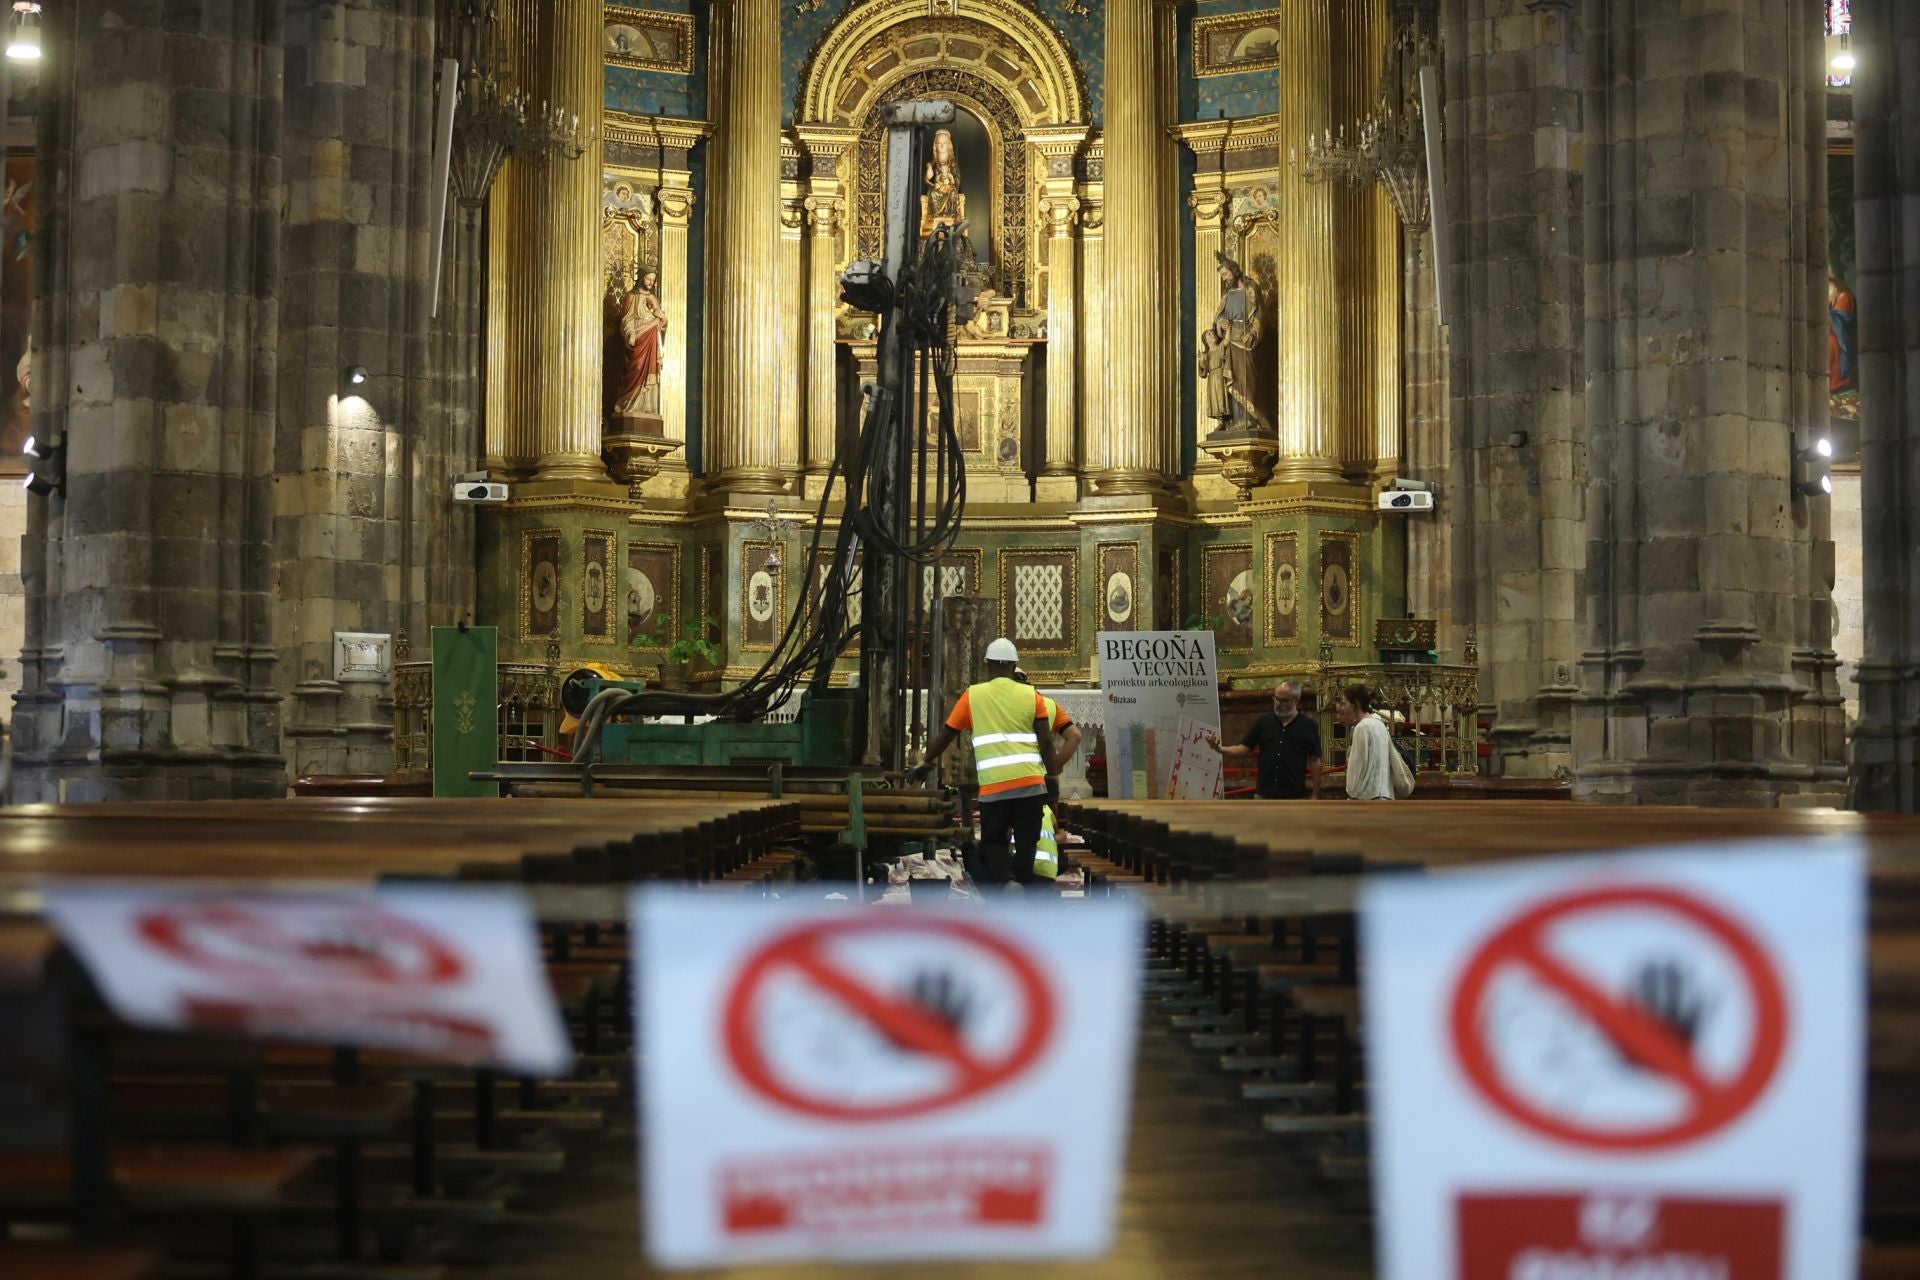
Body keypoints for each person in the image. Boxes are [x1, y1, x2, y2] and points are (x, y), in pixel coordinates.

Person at [907, 638, 1057, 890]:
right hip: (1030, 784)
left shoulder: (973, 696)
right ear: (1014, 665)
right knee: (1026, 841)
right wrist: (1051, 779)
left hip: (995, 788)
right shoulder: (1033, 696)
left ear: (988, 665)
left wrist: (925, 762)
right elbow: (1047, 742)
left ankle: (1007, 883)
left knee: (993, 841)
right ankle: (1020, 885)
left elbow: (946, 734)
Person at [1203, 680, 1321, 799]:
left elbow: (1315, 760)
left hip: (1294, 796)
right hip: (1264, 794)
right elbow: (1243, 749)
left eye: (1284, 700)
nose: (1279, 704)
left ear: (1297, 700)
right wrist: (1219, 749)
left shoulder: (1308, 726)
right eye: (1276, 698)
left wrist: (1315, 794)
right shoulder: (1263, 722)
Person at [1013, 666, 1084, 808]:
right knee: (1047, 824)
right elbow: (1075, 735)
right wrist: (1055, 766)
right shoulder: (1048, 703)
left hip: (1011, 777)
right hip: (1045, 777)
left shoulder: (1001, 704)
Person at [1338, 684, 1396, 801]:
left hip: (1368, 797)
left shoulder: (1362, 727)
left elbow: (1358, 766)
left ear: (1356, 704)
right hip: (1385, 794)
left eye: (1345, 703)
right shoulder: (1379, 724)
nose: (1342, 708)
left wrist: (1351, 792)